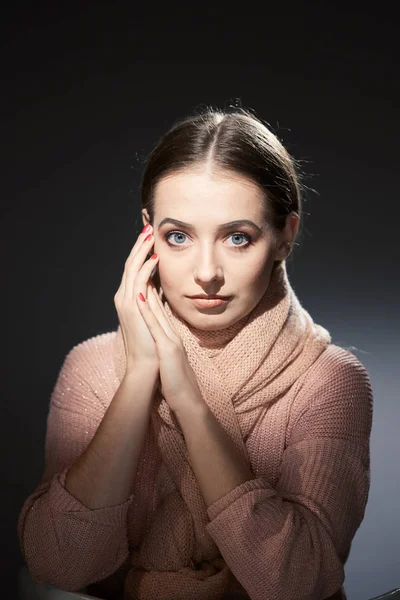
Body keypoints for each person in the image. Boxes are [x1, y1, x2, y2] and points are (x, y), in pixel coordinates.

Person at [17, 106, 373, 600]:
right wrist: (141, 375)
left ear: (285, 237)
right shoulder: (94, 367)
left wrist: (188, 399)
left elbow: (297, 583)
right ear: (148, 234)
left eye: (237, 237)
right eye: (178, 236)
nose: (207, 272)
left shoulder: (330, 381)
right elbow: (58, 563)